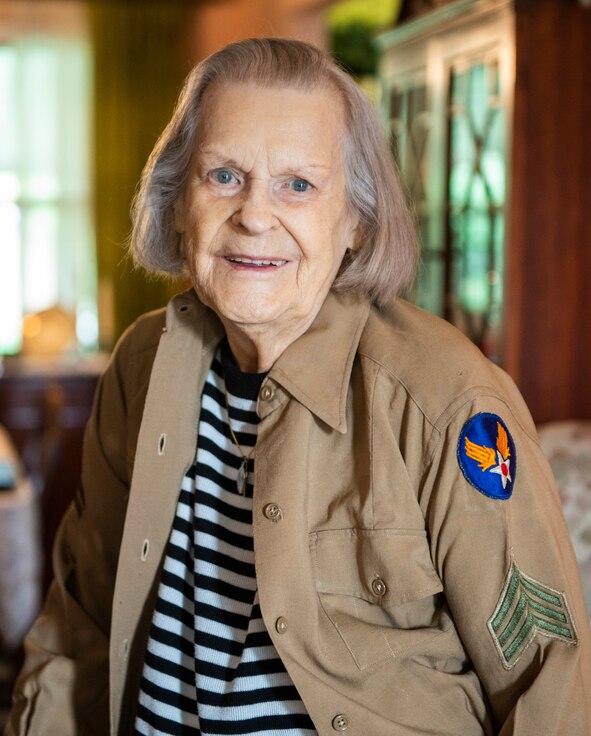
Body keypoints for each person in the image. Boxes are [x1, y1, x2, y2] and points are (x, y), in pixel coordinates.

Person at [7, 38, 591, 736]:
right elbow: (82, 619)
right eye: (223, 175)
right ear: (177, 200)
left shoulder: (446, 400)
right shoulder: (141, 364)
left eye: (298, 185)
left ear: (356, 222)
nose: (255, 214)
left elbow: (547, 681)